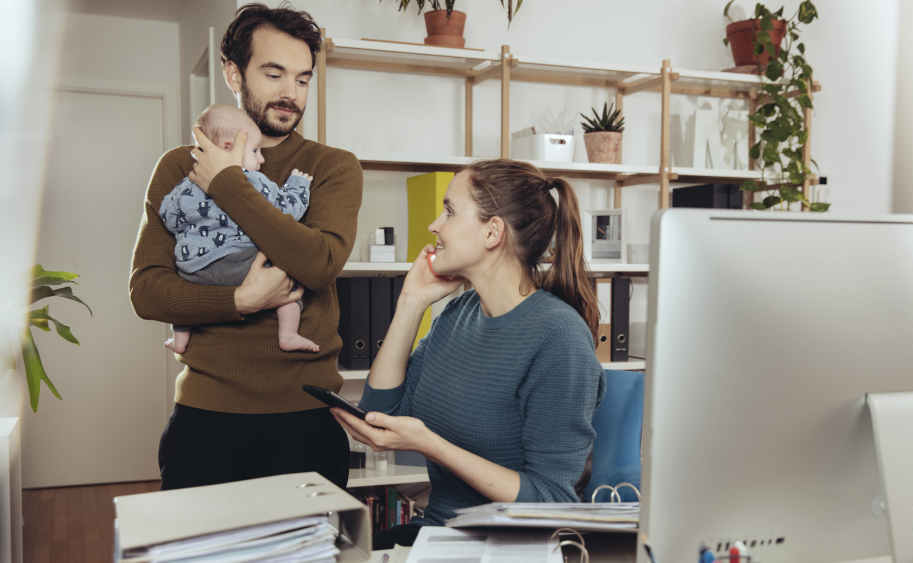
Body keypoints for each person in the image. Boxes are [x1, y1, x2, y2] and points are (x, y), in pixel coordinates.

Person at [129, 4, 362, 491]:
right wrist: (241, 300)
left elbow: (318, 264)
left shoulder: (332, 167)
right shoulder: (179, 167)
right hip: (204, 419)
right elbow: (147, 292)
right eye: (274, 74)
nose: (290, 92)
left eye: (302, 78)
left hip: (306, 422)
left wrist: (226, 182)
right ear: (233, 74)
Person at [332, 160, 605, 549]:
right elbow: (381, 413)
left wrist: (431, 445)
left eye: (449, 211)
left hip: (510, 545)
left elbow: (551, 500)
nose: (435, 226)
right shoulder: (460, 312)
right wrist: (411, 302)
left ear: (493, 232)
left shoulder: (559, 337)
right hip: (441, 533)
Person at [159, 104, 319, 355]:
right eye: (255, 151)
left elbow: (169, 218)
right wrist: (298, 185)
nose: (261, 159)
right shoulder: (252, 180)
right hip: (239, 264)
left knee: (183, 301)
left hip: (195, 269)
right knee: (289, 284)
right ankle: (288, 334)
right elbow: (288, 210)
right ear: (228, 148)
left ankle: (179, 340)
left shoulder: (186, 184)